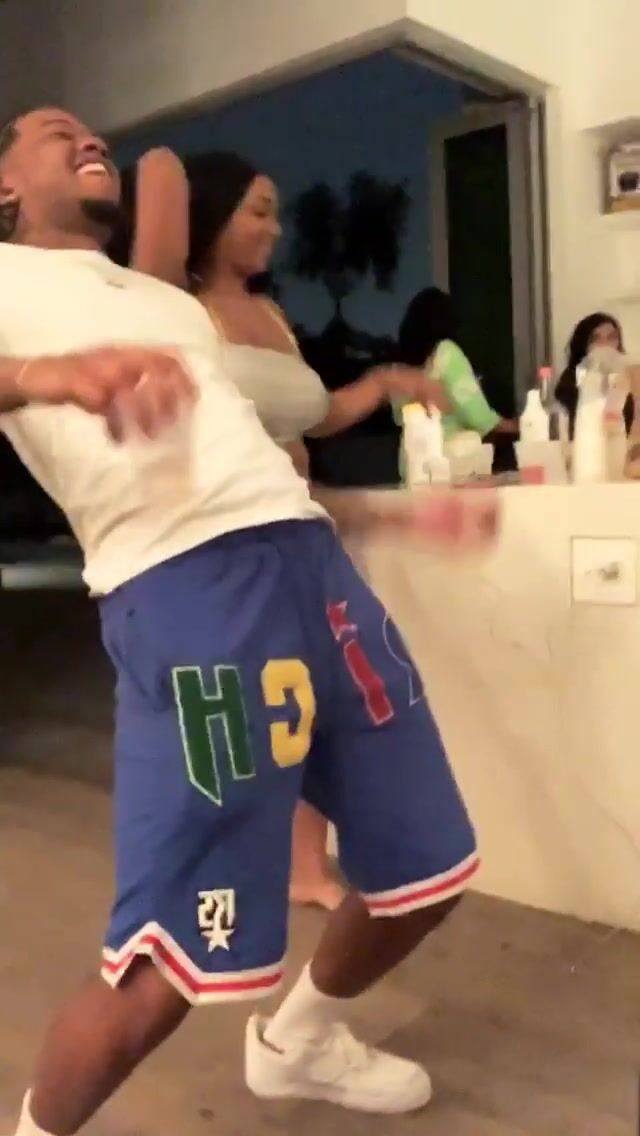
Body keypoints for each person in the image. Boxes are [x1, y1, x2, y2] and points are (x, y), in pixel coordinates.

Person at [0, 107, 498, 1136]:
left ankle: (296, 1042)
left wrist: (385, 517)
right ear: (4, 187)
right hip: (184, 593)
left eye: (93, 134)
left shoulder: (164, 306)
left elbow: (238, 463)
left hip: (311, 567)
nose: (87, 139)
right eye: (54, 132)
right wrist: (47, 375)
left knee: (427, 869)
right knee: (165, 967)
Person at [111, 148, 446, 912]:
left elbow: (315, 415)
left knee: (319, 703)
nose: (275, 228)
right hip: (230, 544)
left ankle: (305, 868)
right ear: (213, 216)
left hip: (307, 529)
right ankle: (213, 885)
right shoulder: (180, 311)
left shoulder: (271, 316)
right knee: (253, 720)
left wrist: (387, 381)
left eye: (276, 212)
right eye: (258, 211)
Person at [396, 287, 518, 447]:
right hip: (449, 454)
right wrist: (516, 426)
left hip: (411, 454)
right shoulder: (445, 352)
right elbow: (476, 414)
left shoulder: (400, 364)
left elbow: (398, 417)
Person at [554, 312, 631, 435]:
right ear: (584, 345)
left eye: (611, 337)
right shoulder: (570, 381)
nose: (605, 344)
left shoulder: (630, 377)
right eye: (596, 339)